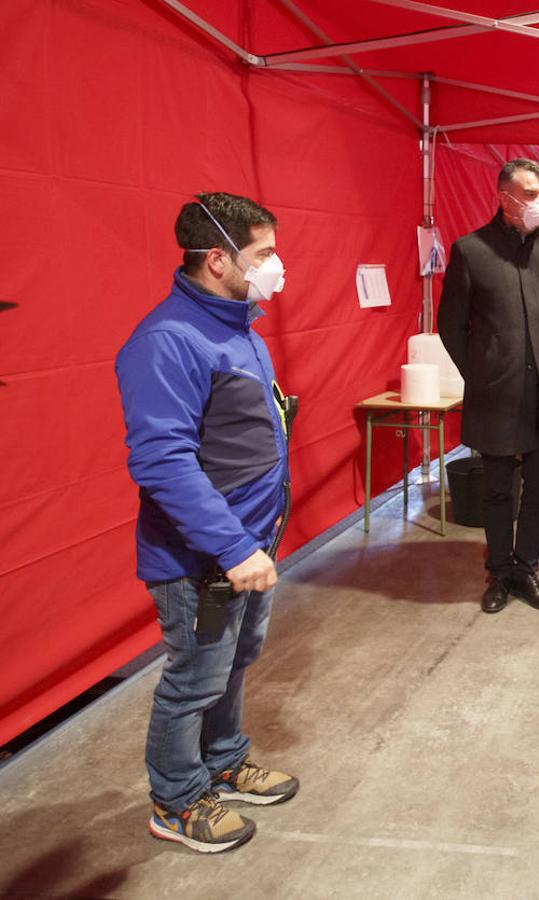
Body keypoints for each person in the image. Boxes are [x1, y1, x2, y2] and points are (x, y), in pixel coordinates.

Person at [116, 191, 299, 853]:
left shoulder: (236, 327)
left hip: (247, 547)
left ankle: (223, 759)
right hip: (204, 560)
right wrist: (229, 545)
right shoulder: (166, 341)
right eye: (264, 253)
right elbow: (162, 460)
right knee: (194, 676)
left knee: (233, 663)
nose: (276, 266)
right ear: (218, 259)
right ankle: (177, 799)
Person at [439, 158, 539, 615]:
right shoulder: (471, 250)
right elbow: (451, 326)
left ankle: (526, 567)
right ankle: (498, 570)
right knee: (497, 489)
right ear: (504, 196)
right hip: (496, 393)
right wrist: (482, 373)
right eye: (530, 194)